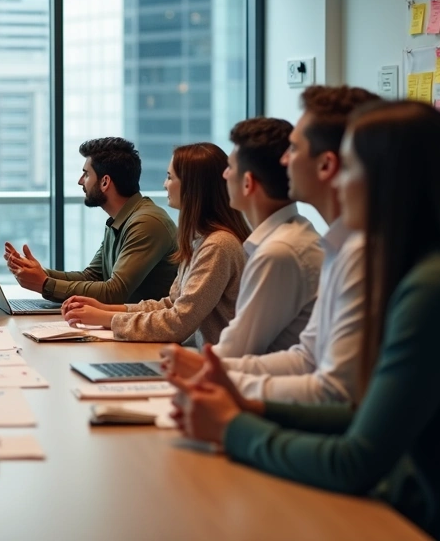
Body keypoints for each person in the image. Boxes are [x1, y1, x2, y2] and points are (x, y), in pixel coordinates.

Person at [170, 101, 440, 540]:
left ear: (388, 180)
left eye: (347, 168)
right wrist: (250, 407)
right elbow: (364, 417)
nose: (337, 182)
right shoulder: (427, 269)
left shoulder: (437, 289)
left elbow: (356, 460)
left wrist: (234, 427)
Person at [163, 86, 380, 403]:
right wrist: (209, 373)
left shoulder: (290, 250)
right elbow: (307, 357)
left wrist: (213, 379)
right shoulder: (333, 246)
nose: (285, 159)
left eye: (294, 148)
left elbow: (334, 390)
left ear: (327, 164)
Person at [63, 143, 249, 345]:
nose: (164, 184)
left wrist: (106, 318)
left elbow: (178, 322)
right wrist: (105, 309)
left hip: (212, 360)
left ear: (192, 185)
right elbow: (171, 304)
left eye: (170, 177)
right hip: (196, 354)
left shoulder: (217, 246)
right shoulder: (199, 240)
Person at [3, 137, 177, 304]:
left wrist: (45, 284)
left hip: (145, 324)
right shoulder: (120, 221)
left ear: (105, 182)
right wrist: (37, 273)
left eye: (86, 174)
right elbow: (92, 276)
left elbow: (115, 292)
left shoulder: (146, 223)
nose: (80, 181)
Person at [214, 118, 323, 357]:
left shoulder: (279, 252)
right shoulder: (296, 232)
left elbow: (234, 352)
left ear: (247, 183)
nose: (224, 174)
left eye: (230, 167)